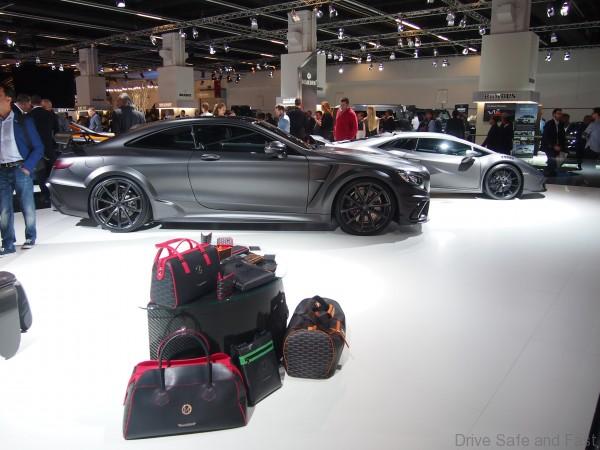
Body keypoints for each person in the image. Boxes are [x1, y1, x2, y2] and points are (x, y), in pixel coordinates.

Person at [0, 84, 44, 256]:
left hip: (20, 168)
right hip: (2, 171)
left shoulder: (23, 121)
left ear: (8, 99)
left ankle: (30, 237)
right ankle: (8, 243)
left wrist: (27, 167)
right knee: (3, 209)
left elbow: (38, 147)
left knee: (27, 205)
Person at [30, 95, 59, 205]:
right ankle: (55, 196)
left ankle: (45, 195)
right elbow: (57, 131)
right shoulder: (50, 114)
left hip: (36, 150)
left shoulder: (29, 115)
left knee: (40, 174)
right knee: (52, 173)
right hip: (49, 148)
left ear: (31, 103)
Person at [541, 108, 566, 176]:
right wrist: (553, 145)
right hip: (550, 146)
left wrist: (561, 146)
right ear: (554, 114)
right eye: (558, 113)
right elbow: (546, 136)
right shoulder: (549, 123)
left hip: (558, 146)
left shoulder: (561, 124)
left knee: (556, 161)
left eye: (561, 114)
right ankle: (547, 174)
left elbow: (562, 136)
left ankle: (550, 173)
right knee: (552, 161)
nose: (560, 115)